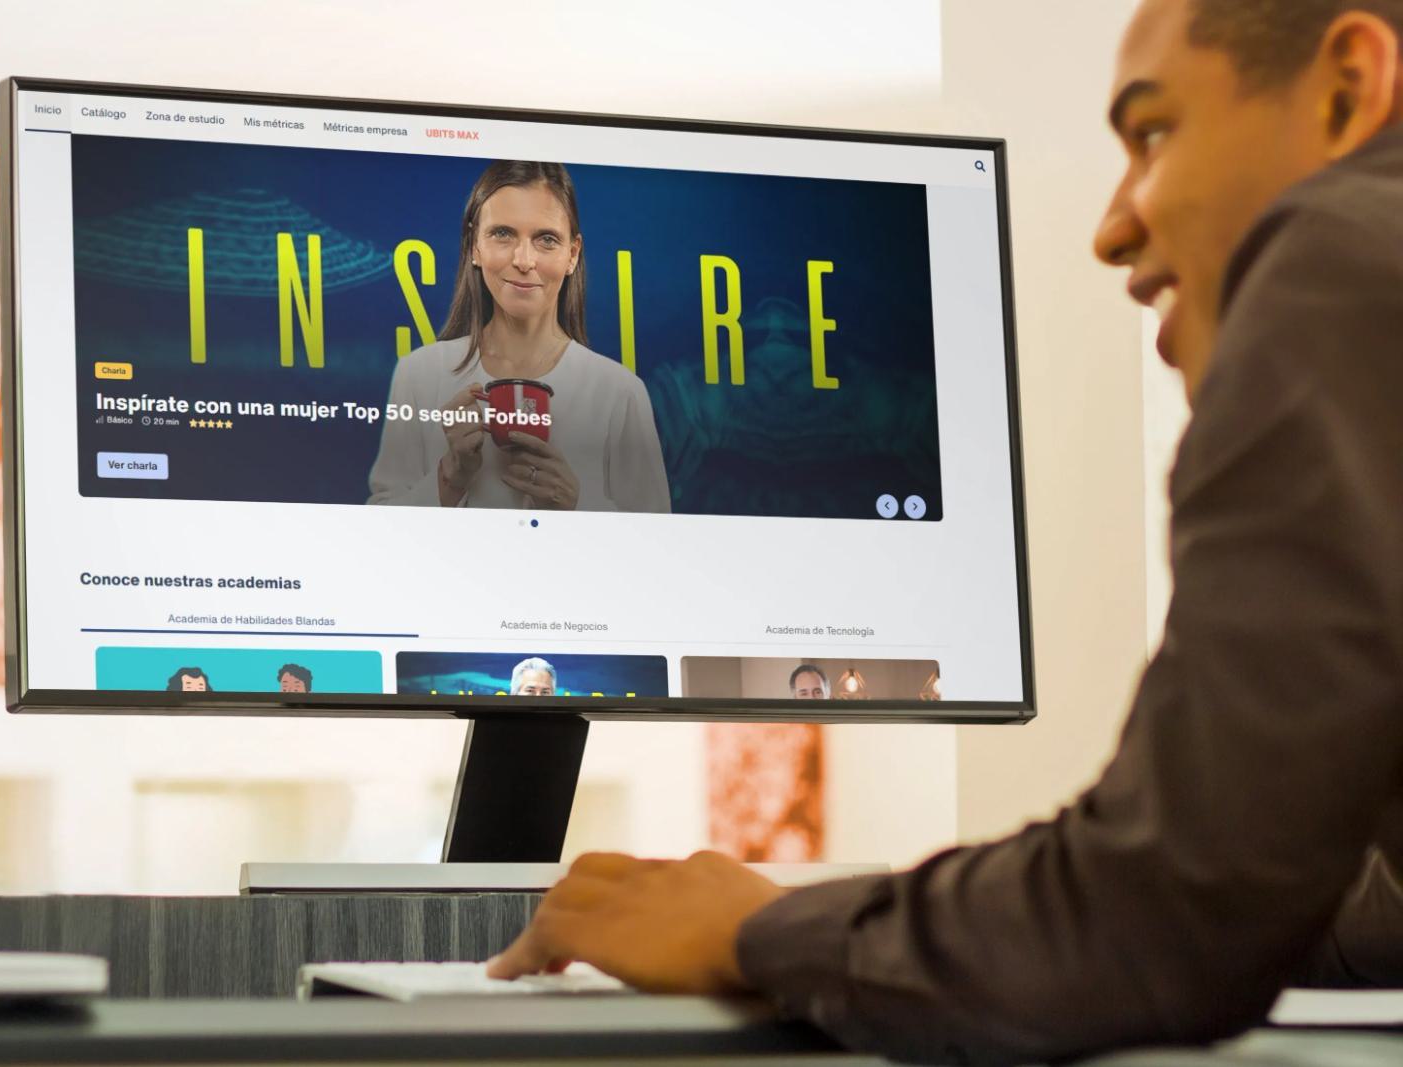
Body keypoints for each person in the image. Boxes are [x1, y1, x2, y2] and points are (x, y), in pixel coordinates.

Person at [487, 2, 1403, 1061]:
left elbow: (1164, 914)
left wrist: (759, 925)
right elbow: (1275, 892)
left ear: (1346, 86)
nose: (1111, 226)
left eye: (1152, 134)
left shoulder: (1338, 257)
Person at [367, 160, 672, 513]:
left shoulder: (620, 392)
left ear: (572, 255)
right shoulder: (418, 374)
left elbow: (653, 547)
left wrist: (576, 503)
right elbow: (381, 530)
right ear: (474, 247)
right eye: (502, 234)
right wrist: (449, 476)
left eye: (546, 239)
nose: (524, 260)